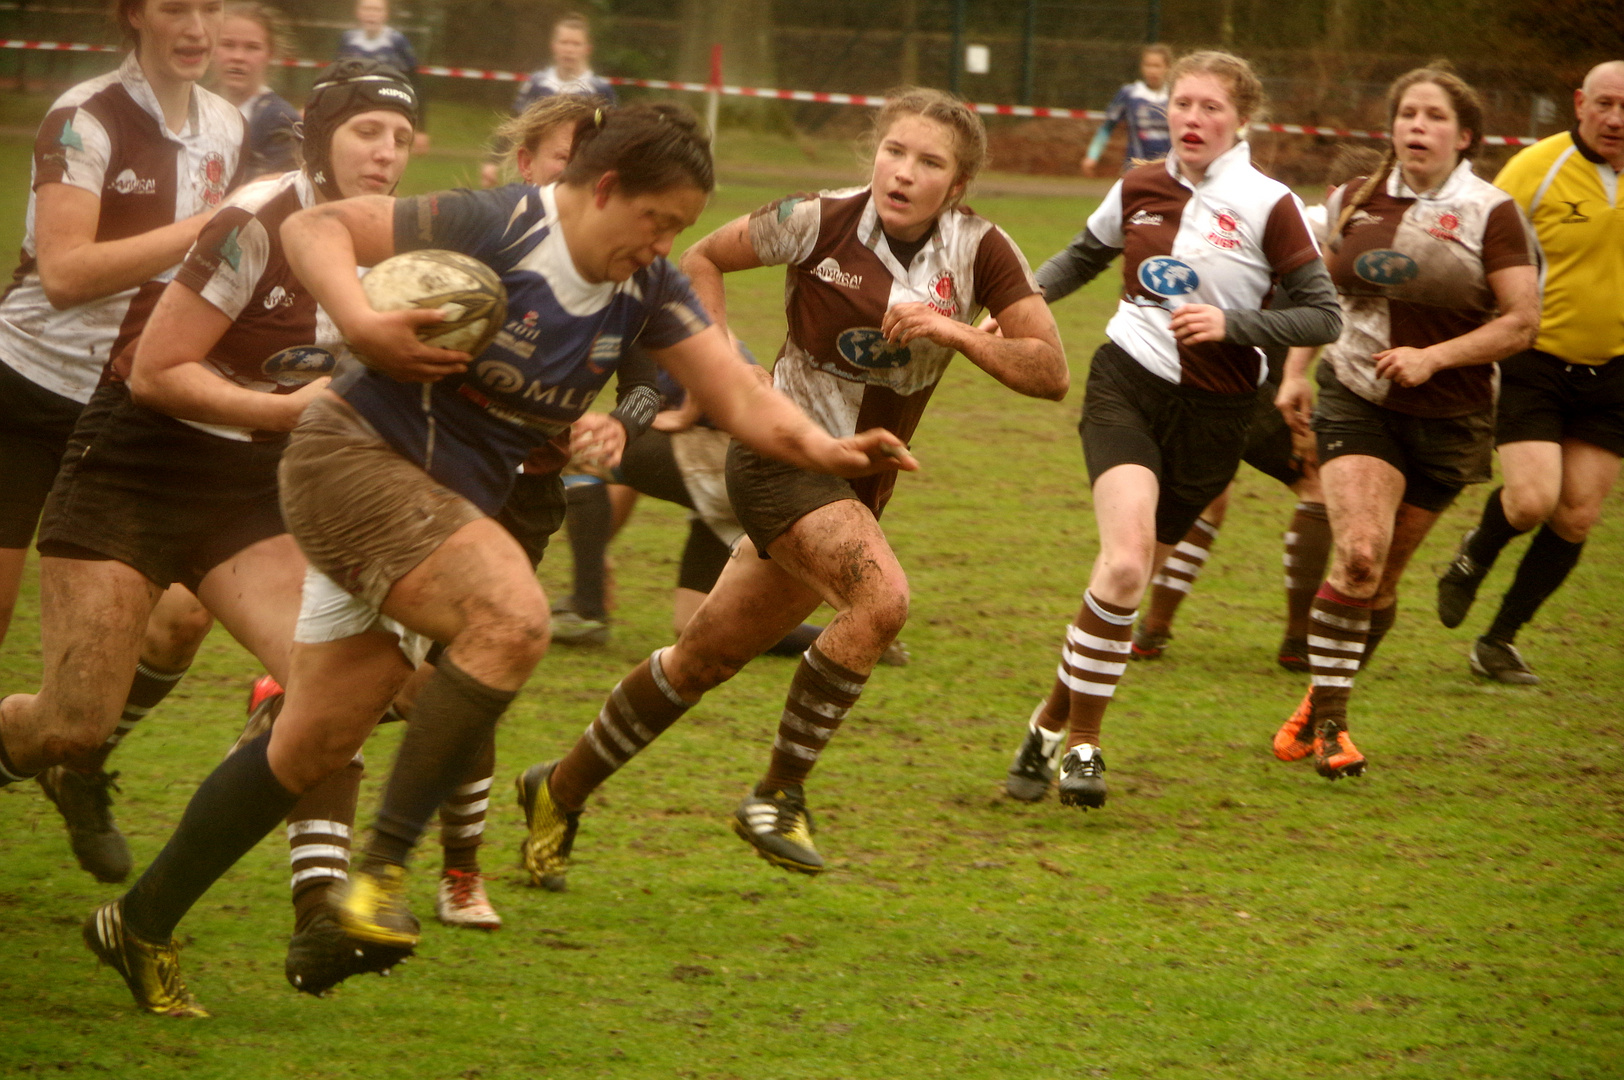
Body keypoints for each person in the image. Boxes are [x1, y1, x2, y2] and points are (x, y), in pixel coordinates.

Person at [84, 101, 914, 1017]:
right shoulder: (500, 223)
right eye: (657, 221)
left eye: (679, 228)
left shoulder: (647, 289)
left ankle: (140, 920)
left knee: (314, 740)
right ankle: (379, 879)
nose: (664, 243)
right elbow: (318, 226)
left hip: (438, 505)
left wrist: (830, 452)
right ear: (603, 188)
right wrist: (358, 320)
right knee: (512, 619)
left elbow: (737, 395)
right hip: (350, 460)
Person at [514, 87, 1067, 889]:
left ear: (959, 183)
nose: (903, 171)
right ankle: (778, 794)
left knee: (702, 658)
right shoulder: (816, 219)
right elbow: (700, 256)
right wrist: (726, 367)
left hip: (857, 484)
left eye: (929, 162)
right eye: (894, 150)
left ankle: (556, 789)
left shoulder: (982, 251)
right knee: (881, 603)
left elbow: (1050, 371)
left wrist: (953, 331)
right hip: (778, 459)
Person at [19, 58, 417, 1018]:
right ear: (321, 136)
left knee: (340, 681)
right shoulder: (257, 218)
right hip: (135, 468)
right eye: (369, 130)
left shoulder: (402, 243)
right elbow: (157, 372)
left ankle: (319, 902)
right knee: (71, 725)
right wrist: (290, 414)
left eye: (403, 138)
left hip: (252, 488)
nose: (388, 153)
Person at [1002, 50, 1342, 810]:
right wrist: (1018, 303)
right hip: (1127, 382)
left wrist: (1235, 324)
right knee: (1123, 565)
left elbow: (1324, 313)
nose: (1191, 118)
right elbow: (1085, 255)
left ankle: (1048, 723)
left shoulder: (1270, 203)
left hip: (1217, 417)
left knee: (1120, 588)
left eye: (1210, 108)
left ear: (1241, 119)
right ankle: (1087, 746)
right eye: (1182, 104)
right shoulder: (1140, 184)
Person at [0, 0, 247, 882]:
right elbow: (64, 276)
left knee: (179, 625)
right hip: (27, 395)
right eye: (176, 6)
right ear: (134, 15)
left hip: (133, 414)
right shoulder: (85, 117)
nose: (197, 25)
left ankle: (78, 762)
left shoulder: (227, 125)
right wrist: (207, 232)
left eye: (208, 7)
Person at [1269, 67, 1540, 777]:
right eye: (1407, 115)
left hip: (1452, 419)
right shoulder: (1352, 201)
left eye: (1434, 116)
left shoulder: (1493, 212)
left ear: (1466, 135)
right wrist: (1296, 373)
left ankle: (1318, 700)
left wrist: (1435, 357)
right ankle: (1333, 730)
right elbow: (1319, 293)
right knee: (1357, 554)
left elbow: (1521, 322)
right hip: (1358, 397)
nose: (1417, 127)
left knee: (1380, 582)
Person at [1436, 59, 1624, 685]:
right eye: (1604, 104)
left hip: (1615, 372)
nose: (1615, 119)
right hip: (1534, 359)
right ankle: (1474, 554)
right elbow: (1476, 251)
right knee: (1532, 500)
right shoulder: (1534, 170)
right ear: (1579, 102)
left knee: (1575, 516)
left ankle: (1499, 641)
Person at [480, 13, 615, 188]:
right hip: (541, 177)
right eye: (564, 43)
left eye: (575, 44)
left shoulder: (600, 89)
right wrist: (493, 161)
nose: (569, 49)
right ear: (554, 46)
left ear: (587, 49)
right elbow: (514, 123)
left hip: (581, 179)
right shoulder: (537, 83)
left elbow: (611, 137)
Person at [213, 1, 300, 178]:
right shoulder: (192, 108)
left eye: (252, 47)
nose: (238, 57)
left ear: (270, 55)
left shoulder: (280, 121)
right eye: (228, 44)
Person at [336, 0, 426, 148]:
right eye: (366, 9)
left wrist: (421, 128)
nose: (371, 14)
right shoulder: (348, 40)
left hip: (388, 114)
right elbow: (335, 80)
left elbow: (415, 84)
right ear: (358, 12)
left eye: (377, 10)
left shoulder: (397, 42)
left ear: (385, 14)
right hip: (352, 113)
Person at [1081, 43, 1172, 178]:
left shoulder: (1175, 95)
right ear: (1142, 67)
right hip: (1135, 168)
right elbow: (1107, 127)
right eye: (1148, 65)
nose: (1152, 71)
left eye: (1157, 66)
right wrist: (1092, 156)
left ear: (1168, 68)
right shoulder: (1130, 94)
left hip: (1168, 169)